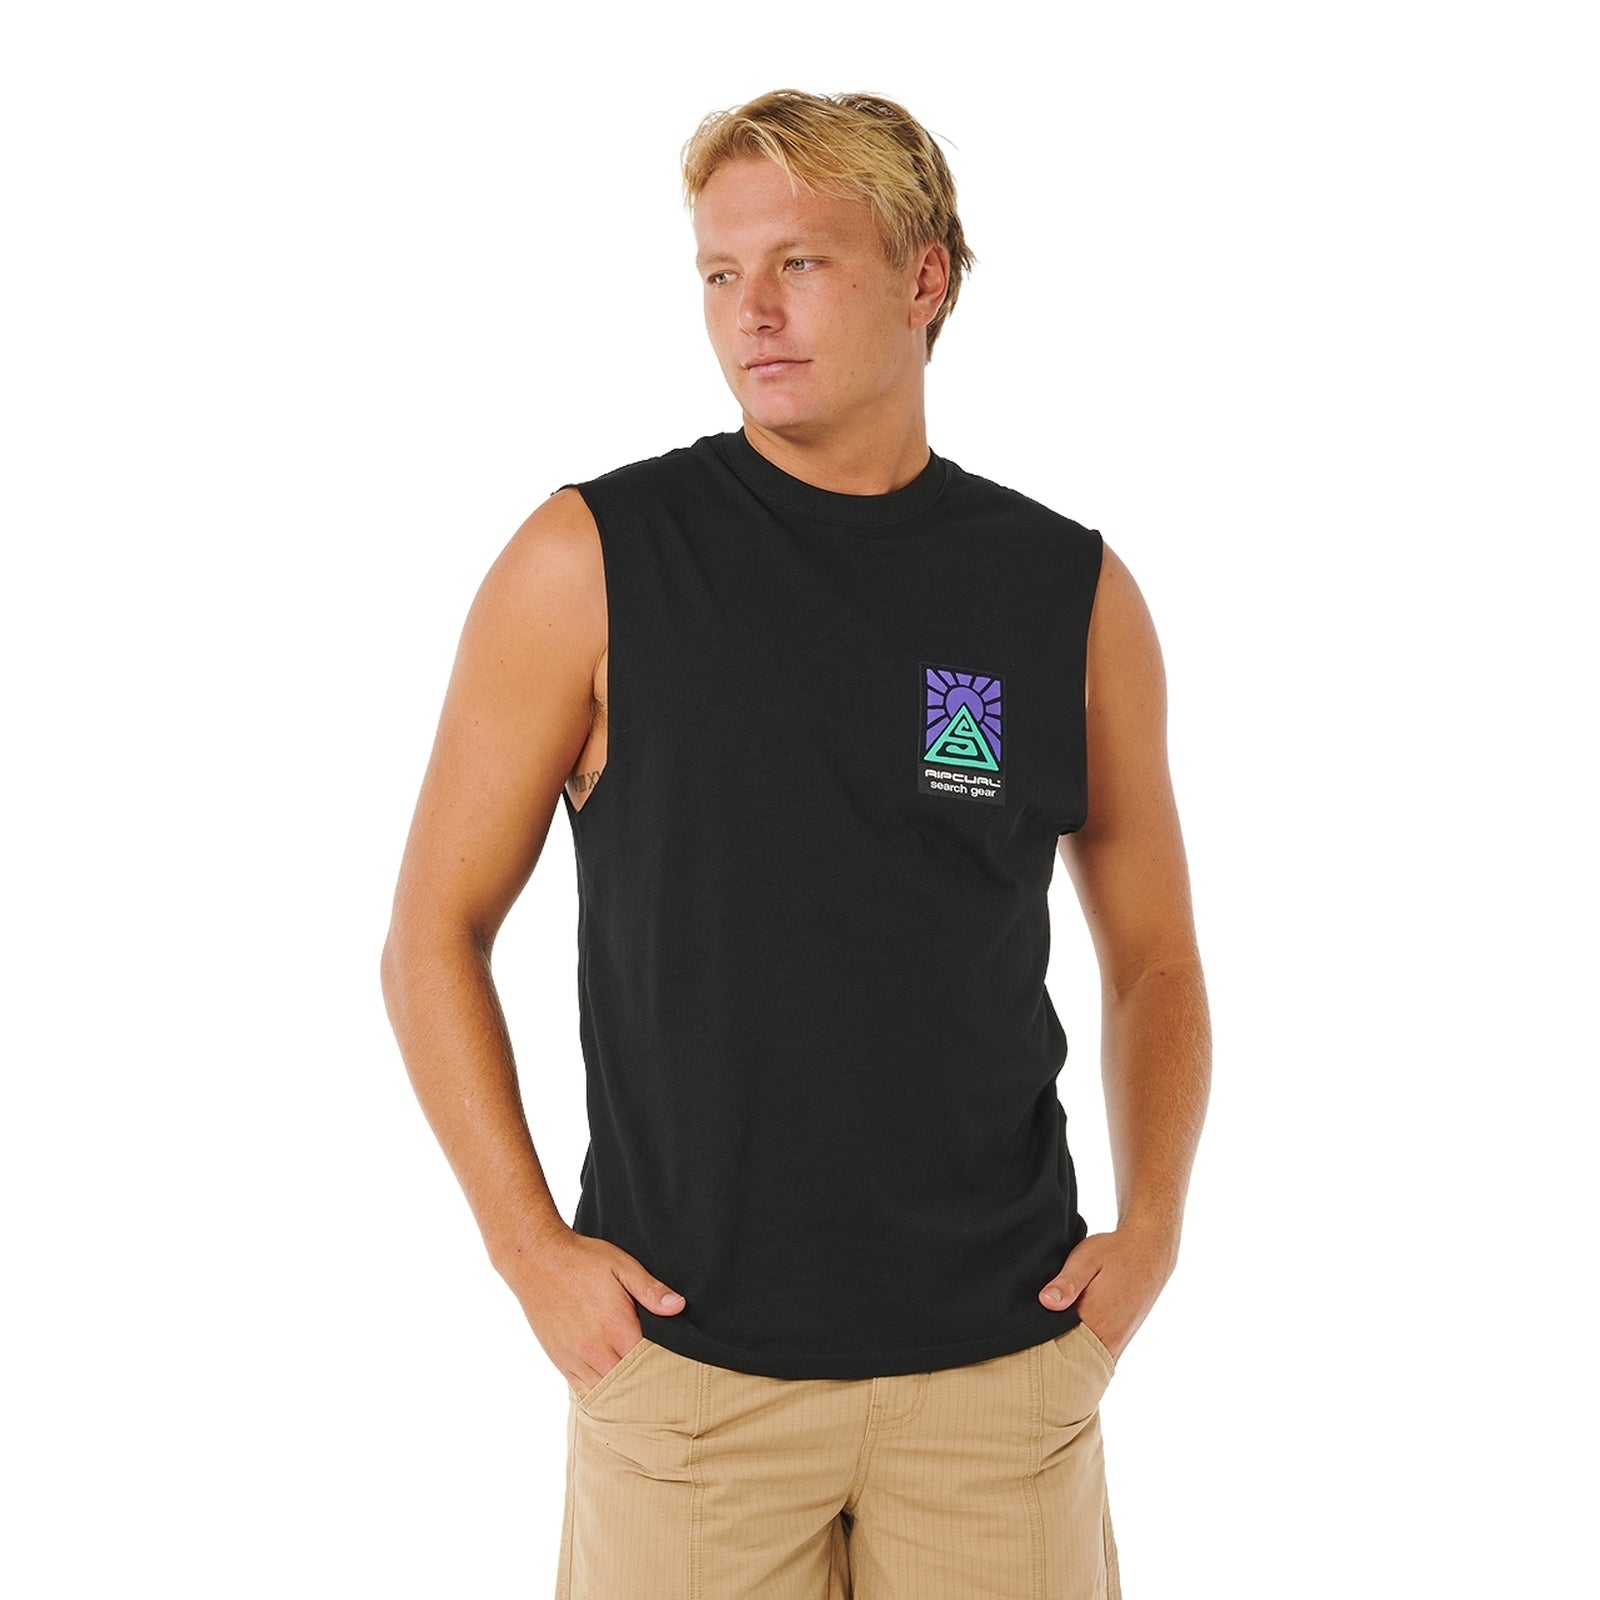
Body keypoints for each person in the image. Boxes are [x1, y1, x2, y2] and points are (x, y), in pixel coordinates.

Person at [381, 88, 1210, 1600]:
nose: (748, 311)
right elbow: (432, 931)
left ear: (924, 279)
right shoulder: (593, 560)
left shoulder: (1066, 592)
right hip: (690, 1384)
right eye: (719, 271)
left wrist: (1151, 1230)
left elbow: (1153, 955)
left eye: (800, 264)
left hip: (1000, 1381)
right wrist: (527, 1249)